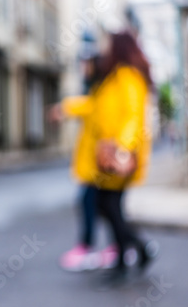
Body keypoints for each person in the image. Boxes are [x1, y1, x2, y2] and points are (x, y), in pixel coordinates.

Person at [52, 31, 156, 279]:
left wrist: (122, 147)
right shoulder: (114, 77)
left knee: (107, 206)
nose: (105, 50)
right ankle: (132, 253)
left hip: (116, 155)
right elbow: (93, 106)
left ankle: (130, 255)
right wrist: (66, 108)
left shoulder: (126, 75)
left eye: (109, 45)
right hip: (108, 155)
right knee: (110, 207)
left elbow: (132, 115)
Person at [58, 54, 118, 272]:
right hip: (95, 164)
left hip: (99, 165)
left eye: (87, 65)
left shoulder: (103, 91)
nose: (84, 69)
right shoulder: (97, 89)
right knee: (103, 207)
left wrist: (64, 108)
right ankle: (116, 247)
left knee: (98, 205)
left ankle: (95, 247)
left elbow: (90, 107)